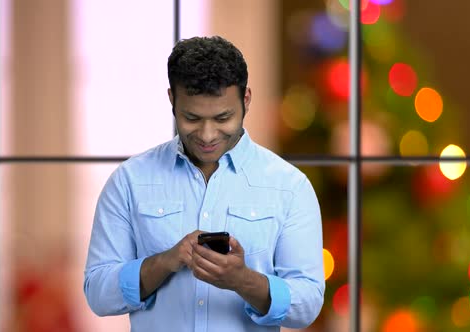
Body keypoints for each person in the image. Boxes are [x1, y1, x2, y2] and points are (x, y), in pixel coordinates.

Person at [84, 36, 324, 331]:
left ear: (246, 99)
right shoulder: (129, 181)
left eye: (223, 117)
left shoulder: (289, 187)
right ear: (172, 99)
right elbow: (97, 292)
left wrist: (242, 280)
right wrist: (165, 262)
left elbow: (308, 303)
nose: (208, 135)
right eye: (192, 118)